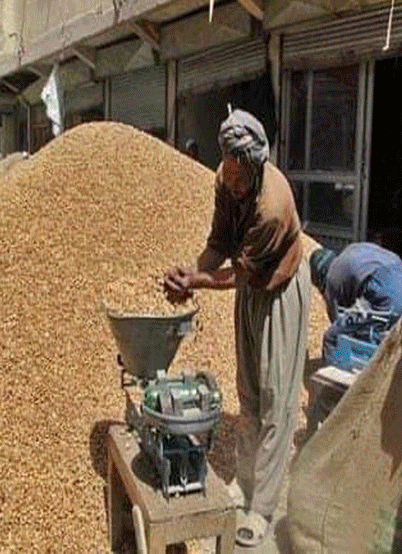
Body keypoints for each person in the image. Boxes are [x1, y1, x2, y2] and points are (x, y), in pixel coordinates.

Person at [162, 109, 309, 548]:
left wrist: (199, 283)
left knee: (276, 397)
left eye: (242, 175)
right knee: (248, 392)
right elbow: (218, 246)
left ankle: (262, 508)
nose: (234, 181)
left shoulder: (272, 207)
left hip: (279, 287)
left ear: (257, 164)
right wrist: (190, 273)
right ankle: (245, 484)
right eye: (229, 170)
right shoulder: (226, 178)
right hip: (250, 288)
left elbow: (239, 272)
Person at [309, 243, 402, 362]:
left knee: (332, 337)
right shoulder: (352, 249)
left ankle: (336, 376)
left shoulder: (331, 278)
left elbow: (338, 323)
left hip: (387, 287)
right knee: (386, 334)